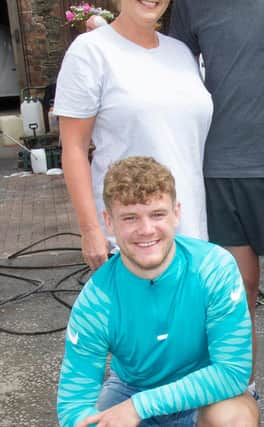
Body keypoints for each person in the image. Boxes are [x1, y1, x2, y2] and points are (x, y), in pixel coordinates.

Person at [169, 2, 264, 422]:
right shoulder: (188, 5)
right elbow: (170, 71)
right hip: (219, 167)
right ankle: (246, 398)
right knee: (238, 295)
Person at [57, 157, 258, 427]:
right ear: (108, 221)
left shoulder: (214, 268)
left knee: (234, 419)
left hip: (203, 393)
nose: (146, 230)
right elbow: (73, 403)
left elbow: (232, 372)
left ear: (176, 213)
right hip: (130, 389)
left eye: (157, 214)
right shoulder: (96, 302)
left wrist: (140, 407)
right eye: (130, 218)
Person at [55, 0, 213, 271]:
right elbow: (74, 148)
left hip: (189, 232)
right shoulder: (90, 52)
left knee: (187, 313)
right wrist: (91, 230)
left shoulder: (180, 53)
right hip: (133, 236)